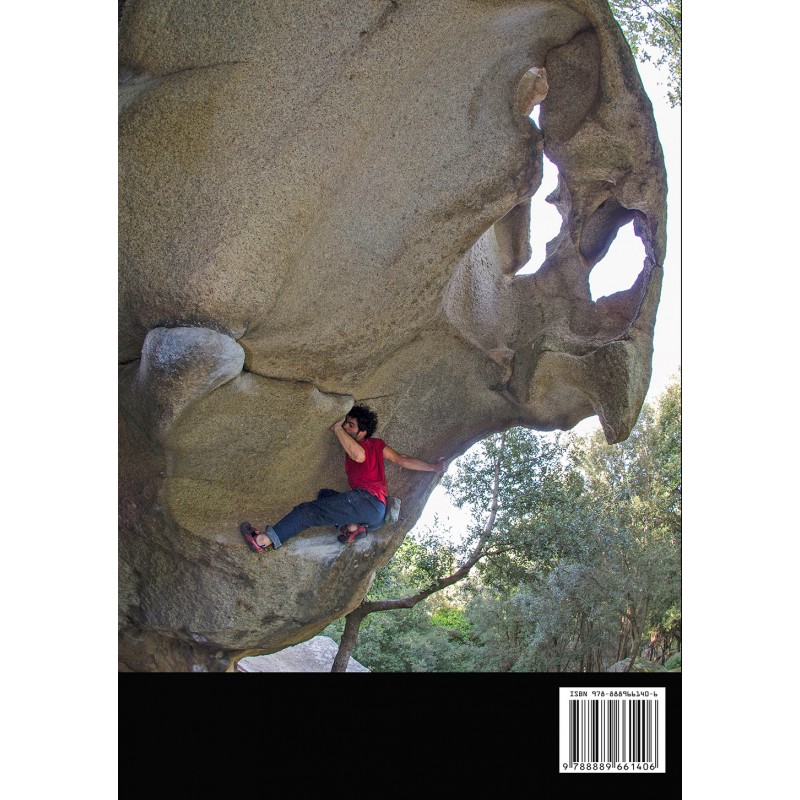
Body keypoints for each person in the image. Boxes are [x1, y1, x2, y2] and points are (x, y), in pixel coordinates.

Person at [240, 404, 446, 552]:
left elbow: (359, 455)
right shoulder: (377, 445)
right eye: (346, 423)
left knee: (306, 512)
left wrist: (338, 429)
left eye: (351, 426)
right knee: (325, 495)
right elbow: (401, 459)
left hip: (367, 501)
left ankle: (263, 541)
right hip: (375, 514)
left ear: (362, 433)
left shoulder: (367, 446)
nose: (347, 427)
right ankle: (352, 528)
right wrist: (433, 467)